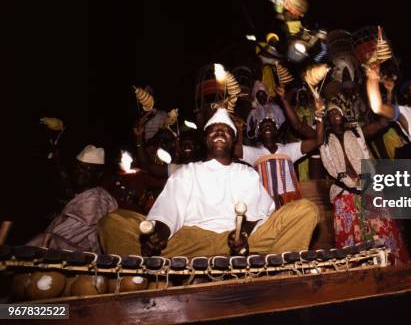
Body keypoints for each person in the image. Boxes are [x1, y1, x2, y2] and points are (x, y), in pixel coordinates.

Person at [98, 109, 319, 258]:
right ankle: (139, 279)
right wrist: (159, 235)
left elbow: (258, 212)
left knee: (305, 210)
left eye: (226, 130)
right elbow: (167, 212)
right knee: (114, 221)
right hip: (191, 239)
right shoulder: (187, 173)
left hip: (241, 239)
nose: (220, 132)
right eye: (214, 130)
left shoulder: (246, 173)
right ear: (206, 140)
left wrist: (242, 235)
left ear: (233, 140)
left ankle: (277, 275)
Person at [319, 104, 410, 263]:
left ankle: (392, 263)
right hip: (343, 188)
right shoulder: (324, 139)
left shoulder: (357, 132)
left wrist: (388, 97)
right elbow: (316, 137)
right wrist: (318, 114)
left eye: (338, 111)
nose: (335, 114)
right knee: (350, 233)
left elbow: (382, 123)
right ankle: (357, 268)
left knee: (382, 228)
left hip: (367, 184)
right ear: (327, 118)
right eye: (331, 112)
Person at [235, 85, 324, 208]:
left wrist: (319, 113)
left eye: (271, 125)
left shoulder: (289, 150)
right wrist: (239, 130)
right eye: (263, 126)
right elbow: (235, 150)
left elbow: (318, 140)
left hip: (290, 206)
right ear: (259, 133)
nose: (267, 126)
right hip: (265, 209)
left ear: (277, 132)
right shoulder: (254, 153)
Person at [28, 145, 117, 253]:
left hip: (83, 255)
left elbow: (69, 235)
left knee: (39, 241)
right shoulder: (82, 194)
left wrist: (48, 238)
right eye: (79, 167)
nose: (81, 171)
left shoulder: (95, 199)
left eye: (87, 169)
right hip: (67, 249)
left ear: (98, 174)